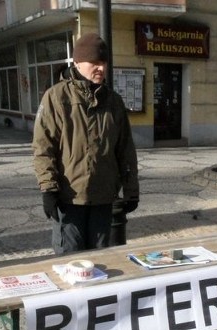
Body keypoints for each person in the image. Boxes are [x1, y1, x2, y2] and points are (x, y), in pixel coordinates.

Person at [33, 33, 139, 255]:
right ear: (78, 63)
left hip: (103, 199)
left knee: (104, 262)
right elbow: (44, 149)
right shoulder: (56, 98)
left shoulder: (114, 102)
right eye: (95, 63)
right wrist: (48, 189)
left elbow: (125, 150)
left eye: (104, 63)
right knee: (70, 264)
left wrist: (131, 190)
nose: (100, 68)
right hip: (69, 200)